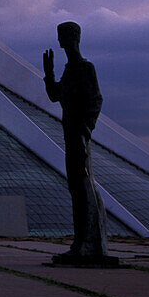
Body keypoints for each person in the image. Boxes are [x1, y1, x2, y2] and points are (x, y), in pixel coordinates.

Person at [44, 21, 111, 264]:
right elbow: (55, 96)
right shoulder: (69, 70)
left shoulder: (85, 68)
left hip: (78, 135)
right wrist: (49, 74)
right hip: (69, 133)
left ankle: (90, 243)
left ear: (74, 38)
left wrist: (85, 130)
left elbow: (96, 100)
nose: (60, 42)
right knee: (76, 186)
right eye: (59, 37)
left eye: (63, 37)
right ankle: (82, 241)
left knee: (83, 185)